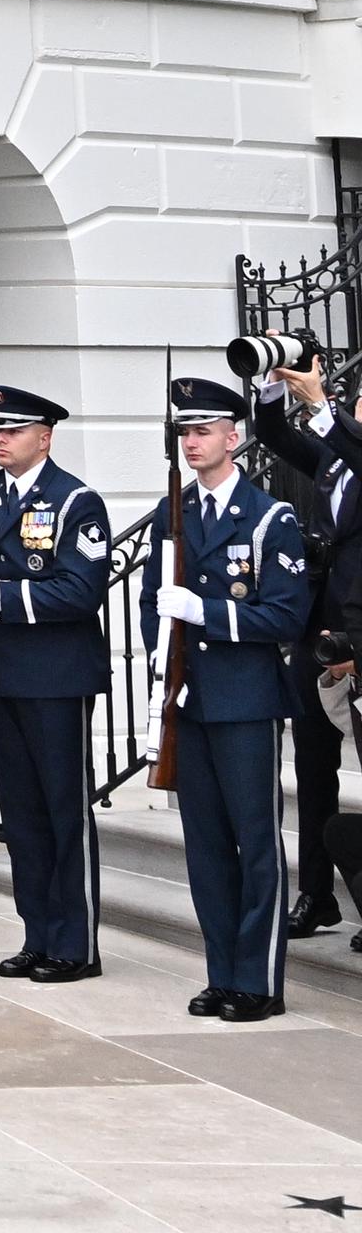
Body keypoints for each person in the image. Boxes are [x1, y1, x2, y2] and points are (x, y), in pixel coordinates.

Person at [140, 376, 306, 1022]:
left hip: (245, 700)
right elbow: (153, 601)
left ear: (233, 438)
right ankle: (222, 972)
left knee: (254, 841)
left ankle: (258, 980)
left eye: (203, 430)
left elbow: (284, 617)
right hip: (192, 700)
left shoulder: (270, 518)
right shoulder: (172, 513)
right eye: (185, 431)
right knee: (205, 845)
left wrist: (203, 613)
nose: (192, 442)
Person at [0, 385, 109, 982]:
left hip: (56, 676)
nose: (1, 439)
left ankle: (77, 943)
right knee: (20, 815)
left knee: (63, 809)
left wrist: (5, 597)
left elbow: (80, 590)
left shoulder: (74, 501)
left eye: (14, 431)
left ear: (45, 437)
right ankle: (38, 933)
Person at [250, 354, 362, 941]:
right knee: (315, 769)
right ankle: (316, 895)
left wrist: (322, 405)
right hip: (317, 633)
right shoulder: (335, 460)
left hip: (360, 638)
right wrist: (273, 382)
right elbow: (271, 434)